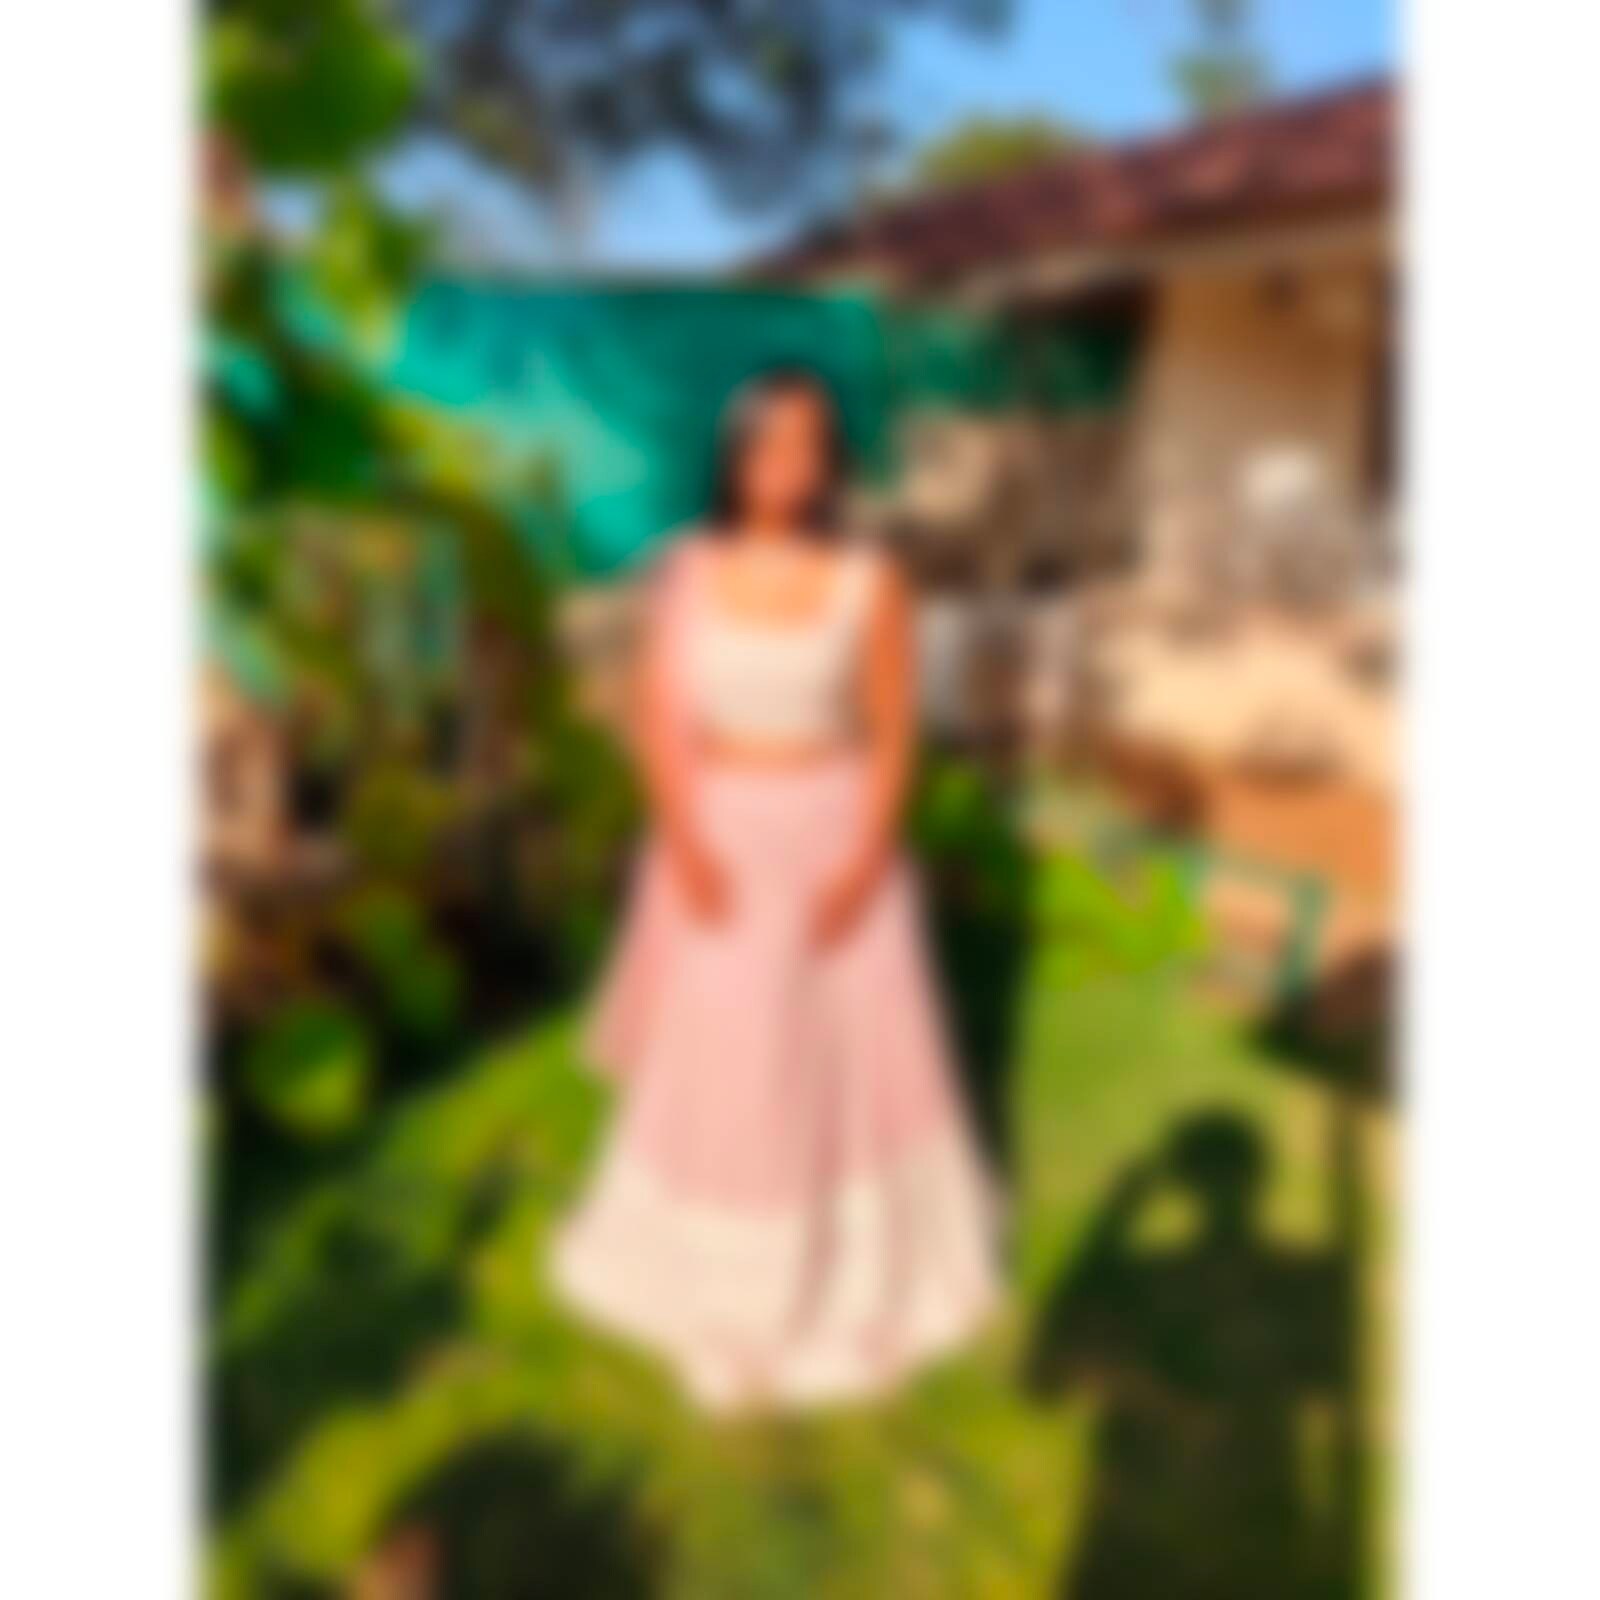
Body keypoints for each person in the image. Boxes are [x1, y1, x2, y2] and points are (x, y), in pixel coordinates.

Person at [552, 369, 999, 1412]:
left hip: (833, 839)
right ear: (735, 453)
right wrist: (683, 838)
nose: (787, 465)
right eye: (767, 443)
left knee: (839, 1055)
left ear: (831, 461)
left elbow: (895, 726)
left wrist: (868, 858)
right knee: (736, 1061)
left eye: (809, 445)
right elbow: (656, 711)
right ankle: (724, 1290)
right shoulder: (688, 569)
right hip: (718, 839)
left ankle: (845, 1275)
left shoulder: (869, 577)